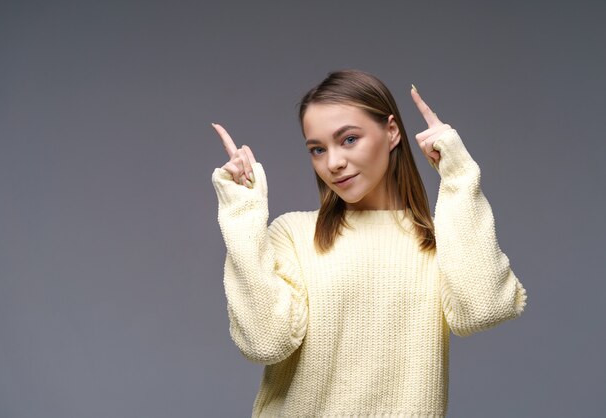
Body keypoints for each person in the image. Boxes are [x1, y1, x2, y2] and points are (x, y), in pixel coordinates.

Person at [211, 70, 527, 418]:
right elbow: (265, 341)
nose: (333, 163)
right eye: (318, 149)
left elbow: (483, 310)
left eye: (348, 139)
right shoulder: (294, 234)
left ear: (391, 132)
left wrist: (459, 176)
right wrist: (243, 213)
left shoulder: (441, 241)